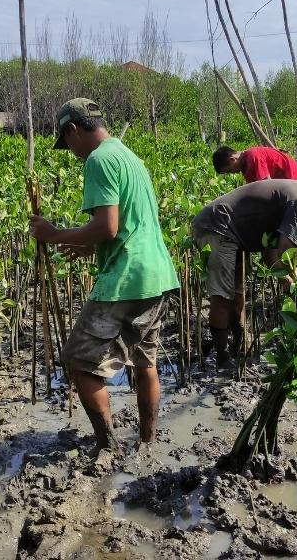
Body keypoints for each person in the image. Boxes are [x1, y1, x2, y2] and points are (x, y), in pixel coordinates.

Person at [29, 98, 179, 454]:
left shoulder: (97, 159)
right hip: (157, 274)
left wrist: (55, 234)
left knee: (80, 363)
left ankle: (108, 446)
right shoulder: (129, 156)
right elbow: (129, 224)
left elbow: (108, 226)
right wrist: (88, 246)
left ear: (73, 130)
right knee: (145, 361)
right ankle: (147, 442)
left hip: (127, 278)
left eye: (68, 144)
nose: (72, 152)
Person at [191, 178, 297, 366]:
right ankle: (222, 357)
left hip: (232, 233)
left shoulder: (296, 194)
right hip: (218, 227)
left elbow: (270, 254)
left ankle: (239, 345)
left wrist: (287, 279)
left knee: (237, 292)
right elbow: (287, 252)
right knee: (222, 296)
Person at [212, 145, 297, 183]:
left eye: (229, 171)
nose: (232, 173)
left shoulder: (252, 156)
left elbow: (267, 187)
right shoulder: (245, 165)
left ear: (232, 160)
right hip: (287, 186)